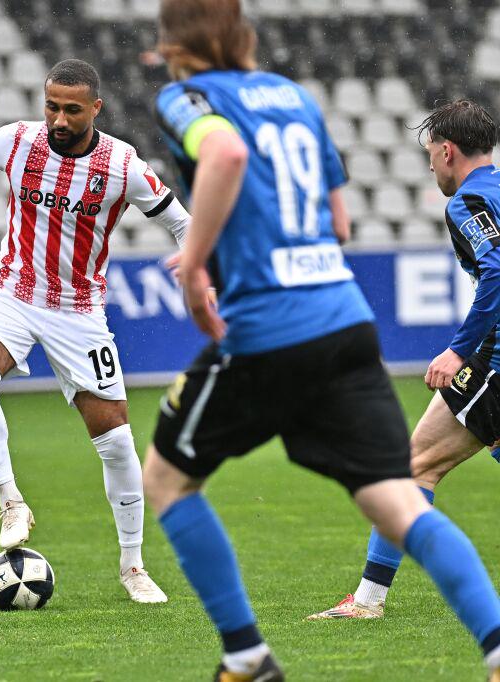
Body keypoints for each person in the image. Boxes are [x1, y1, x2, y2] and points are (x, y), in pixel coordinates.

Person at [141, 2, 500, 680]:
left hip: (268, 328)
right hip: (345, 320)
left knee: (165, 480)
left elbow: (224, 151)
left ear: (173, 43)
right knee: (402, 488)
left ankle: (246, 657)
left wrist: (195, 260)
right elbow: (336, 220)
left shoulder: (186, 97)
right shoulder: (293, 96)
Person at [0, 59, 188, 603]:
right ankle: (11, 501)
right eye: (51, 105)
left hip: (79, 311)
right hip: (12, 292)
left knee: (117, 442)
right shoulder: (16, 142)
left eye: (71, 109)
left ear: (95, 109)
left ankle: (133, 567)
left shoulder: (121, 165)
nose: (58, 118)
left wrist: (200, 266)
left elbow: (179, 220)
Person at [309, 99, 500, 620]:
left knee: (413, 467)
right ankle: (368, 600)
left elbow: (498, 274)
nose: (432, 167)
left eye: (432, 157)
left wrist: (459, 350)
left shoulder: (468, 202)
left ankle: (369, 601)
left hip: (496, 360)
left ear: (447, 150)